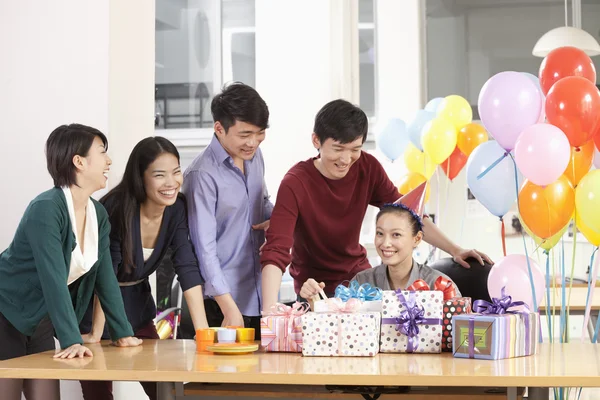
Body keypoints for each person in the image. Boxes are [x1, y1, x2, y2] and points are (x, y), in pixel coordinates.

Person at [261, 99, 490, 310]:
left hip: (361, 286)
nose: (345, 160)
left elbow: (409, 215)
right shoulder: (296, 182)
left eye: (355, 150)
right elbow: (276, 250)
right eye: (338, 149)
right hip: (316, 291)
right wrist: (270, 314)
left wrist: (455, 249)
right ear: (316, 141)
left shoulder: (367, 167)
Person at [0, 124, 142, 400]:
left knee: (46, 396)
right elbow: (53, 278)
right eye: (102, 153)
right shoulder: (46, 209)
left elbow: (105, 277)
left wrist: (122, 332)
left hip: (38, 318)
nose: (109, 161)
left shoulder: (97, 214)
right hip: (5, 311)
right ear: (79, 161)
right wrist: (72, 339)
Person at [78, 136, 209, 400]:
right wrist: (96, 332)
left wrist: (203, 334)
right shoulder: (115, 208)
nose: (171, 183)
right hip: (96, 309)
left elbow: (187, 266)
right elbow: (107, 276)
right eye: (159, 175)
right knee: (99, 395)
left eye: (175, 172)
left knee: (163, 391)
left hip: (137, 310)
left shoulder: (176, 209)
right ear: (141, 177)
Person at [183, 82, 271, 338]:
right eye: (245, 134)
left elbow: (261, 202)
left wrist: (278, 217)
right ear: (219, 128)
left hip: (257, 294)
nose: (253, 142)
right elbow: (204, 248)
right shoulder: (202, 175)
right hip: (220, 303)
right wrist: (228, 306)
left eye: (260, 133)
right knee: (221, 378)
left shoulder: (255, 157)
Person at [300, 196, 461, 301]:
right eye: (380, 233)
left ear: (417, 238)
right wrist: (314, 299)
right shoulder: (362, 282)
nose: (385, 243)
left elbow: (458, 336)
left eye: (396, 235)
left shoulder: (440, 285)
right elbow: (341, 329)